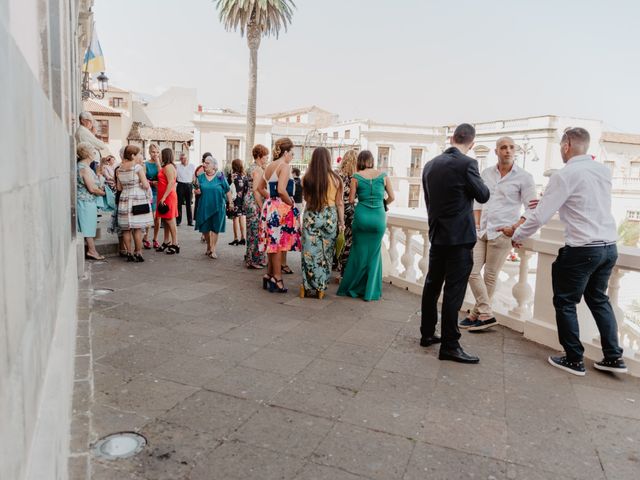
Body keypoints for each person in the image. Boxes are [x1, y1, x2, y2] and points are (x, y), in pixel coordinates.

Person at [508, 127, 626, 376]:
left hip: (582, 249)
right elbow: (588, 203)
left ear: (566, 145)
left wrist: (518, 235)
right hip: (608, 248)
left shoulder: (564, 174)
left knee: (565, 302)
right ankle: (614, 357)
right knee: (598, 299)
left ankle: (574, 358)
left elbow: (540, 216)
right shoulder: (603, 171)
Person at [420, 123, 490, 364]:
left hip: (438, 235)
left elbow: (429, 201)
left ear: (452, 138)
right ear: (471, 142)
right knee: (454, 291)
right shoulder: (468, 164)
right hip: (460, 238)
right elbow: (483, 195)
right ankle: (450, 344)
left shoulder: (430, 165)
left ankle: (427, 333)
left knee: (432, 284)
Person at [461, 137, 537, 331]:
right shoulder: (486, 173)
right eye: (503, 148)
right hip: (482, 230)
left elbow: (532, 208)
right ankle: (486, 312)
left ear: (516, 151)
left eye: (512, 147)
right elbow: (477, 201)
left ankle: (476, 314)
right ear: (496, 151)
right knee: (471, 270)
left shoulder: (524, 177)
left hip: (503, 232)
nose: (508, 151)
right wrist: (477, 225)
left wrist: (515, 227)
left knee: (490, 275)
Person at [337, 150, 394, 301]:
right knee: (374, 254)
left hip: (362, 216)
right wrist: (382, 204)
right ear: (372, 160)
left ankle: (353, 287)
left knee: (358, 253)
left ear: (360, 161)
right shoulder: (383, 176)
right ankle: (370, 291)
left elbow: (350, 200)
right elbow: (392, 197)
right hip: (378, 217)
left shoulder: (356, 177)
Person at [258, 137, 301, 293]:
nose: (292, 156)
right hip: (280, 209)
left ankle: (269, 275)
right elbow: (282, 190)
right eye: (292, 153)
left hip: (270, 208)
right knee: (277, 244)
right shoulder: (285, 166)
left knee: (272, 242)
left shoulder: (270, 166)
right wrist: (290, 203)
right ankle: (277, 278)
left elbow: (259, 187)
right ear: (286, 152)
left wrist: (270, 198)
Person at [300, 147, 344, 299]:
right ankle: (321, 286)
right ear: (328, 160)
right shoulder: (336, 179)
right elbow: (339, 203)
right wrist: (342, 222)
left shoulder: (306, 178)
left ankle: (307, 285)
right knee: (326, 253)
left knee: (309, 252)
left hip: (312, 214)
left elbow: (306, 199)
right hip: (329, 216)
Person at [116, 145, 153, 262]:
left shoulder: (119, 169)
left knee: (126, 229)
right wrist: (142, 185)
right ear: (132, 155)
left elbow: (119, 187)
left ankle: (129, 253)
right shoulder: (137, 168)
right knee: (137, 228)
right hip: (137, 198)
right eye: (138, 154)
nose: (139, 156)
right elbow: (146, 185)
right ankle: (138, 252)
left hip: (124, 199)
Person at [194, 156, 233, 258]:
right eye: (204, 163)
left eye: (207, 163)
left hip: (218, 206)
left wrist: (231, 203)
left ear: (213, 165)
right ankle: (209, 245)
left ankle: (213, 249)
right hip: (204, 206)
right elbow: (197, 190)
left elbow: (227, 190)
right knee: (205, 229)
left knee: (215, 228)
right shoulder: (201, 177)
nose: (204, 165)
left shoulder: (220, 176)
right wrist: (196, 191)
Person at [76, 142, 107, 260]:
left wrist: (99, 174)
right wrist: (103, 193)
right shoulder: (84, 168)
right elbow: (92, 188)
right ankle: (92, 251)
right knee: (87, 226)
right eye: (93, 151)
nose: (94, 154)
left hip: (87, 202)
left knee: (88, 225)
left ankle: (92, 250)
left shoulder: (85, 166)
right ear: (88, 153)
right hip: (85, 202)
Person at [244, 144, 269, 269]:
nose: (266, 159)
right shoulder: (258, 169)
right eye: (265, 156)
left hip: (248, 199)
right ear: (260, 156)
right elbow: (256, 190)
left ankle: (251, 257)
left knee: (251, 231)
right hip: (254, 201)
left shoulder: (251, 167)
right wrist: (261, 206)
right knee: (255, 231)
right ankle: (253, 260)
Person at [333, 149, 357, 278]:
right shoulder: (357, 177)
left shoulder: (338, 175)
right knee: (349, 241)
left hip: (338, 209)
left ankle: (337, 264)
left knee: (339, 238)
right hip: (352, 210)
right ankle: (345, 271)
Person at [155, 148, 179, 254]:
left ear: (165, 155)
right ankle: (166, 241)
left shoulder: (169, 167)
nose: (159, 156)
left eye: (160, 154)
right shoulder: (166, 166)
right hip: (165, 195)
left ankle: (175, 243)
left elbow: (171, 183)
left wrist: (164, 197)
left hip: (167, 196)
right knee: (165, 220)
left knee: (170, 220)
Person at [143, 144, 161, 249]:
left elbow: (161, 175)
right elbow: (143, 179)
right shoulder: (146, 164)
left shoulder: (161, 164)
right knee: (151, 217)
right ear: (149, 152)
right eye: (153, 152)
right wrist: (152, 182)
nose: (155, 154)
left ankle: (155, 239)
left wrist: (158, 163)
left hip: (160, 192)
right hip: (151, 192)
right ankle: (145, 238)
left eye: (157, 152)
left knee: (158, 218)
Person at [227, 159, 249, 246]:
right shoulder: (244, 176)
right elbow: (247, 189)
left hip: (235, 200)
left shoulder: (232, 176)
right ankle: (243, 237)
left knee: (235, 218)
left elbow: (228, 189)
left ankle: (236, 238)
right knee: (242, 217)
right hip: (243, 200)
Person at [176, 151, 195, 226]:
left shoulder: (192, 166)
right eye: (181, 158)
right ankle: (178, 221)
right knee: (179, 204)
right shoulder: (177, 166)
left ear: (187, 158)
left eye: (184, 158)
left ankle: (190, 221)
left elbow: (194, 176)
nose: (183, 160)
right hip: (180, 185)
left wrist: (194, 185)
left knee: (189, 204)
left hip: (189, 185)